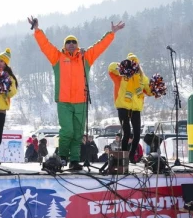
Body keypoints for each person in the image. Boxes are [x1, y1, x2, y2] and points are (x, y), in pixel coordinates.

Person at [28, 16, 125, 170]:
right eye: (68, 42)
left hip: (81, 101)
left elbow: (99, 47)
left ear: (77, 45)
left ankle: (74, 161)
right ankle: (63, 157)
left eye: (74, 42)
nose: (71, 44)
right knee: (67, 130)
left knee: (78, 133)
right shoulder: (57, 58)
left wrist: (111, 33)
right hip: (64, 101)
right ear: (64, 45)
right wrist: (37, 30)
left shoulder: (85, 58)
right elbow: (45, 45)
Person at [108, 53, 153, 163]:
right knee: (126, 133)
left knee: (137, 134)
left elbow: (149, 91)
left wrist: (156, 88)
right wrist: (123, 66)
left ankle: (132, 156)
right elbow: (111, 68)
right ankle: (123, 157)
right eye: (131, 63)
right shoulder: (121, 75)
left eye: (135, 63)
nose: (134, 65)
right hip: (123, 107)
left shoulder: (142, 78)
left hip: (136, 109)